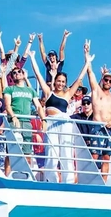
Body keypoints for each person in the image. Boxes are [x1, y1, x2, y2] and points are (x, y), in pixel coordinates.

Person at [25, 38, 90, 184]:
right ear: (55, 81)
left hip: (65, 122)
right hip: (52, 123)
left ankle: (68, 182)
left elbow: (80, 78)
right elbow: (38, 76)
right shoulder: (48, 92)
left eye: (63, 82)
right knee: (52, 155)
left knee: (66, 154)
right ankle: (52, 181)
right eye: (58, 81)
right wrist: (32, 58)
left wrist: (87, 60)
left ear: (65, 83)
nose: (60, 83)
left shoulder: (67, 94)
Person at [84, 45, 111, 182]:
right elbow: (90, 75)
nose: (108, 82)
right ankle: (90, 179)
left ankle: (104, 181)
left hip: (109, 130)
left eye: (110, 81)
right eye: (106, 79)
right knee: (94, 155)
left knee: (106, 157)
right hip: (97, 128)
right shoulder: (96, 92)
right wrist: (87, 58)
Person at [71, 97, 107, 175]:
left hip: (94, 147)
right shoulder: (77, 117)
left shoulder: (97, 117)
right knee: (79, 168)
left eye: (88, 103)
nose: (86, 105)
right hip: (81, 148)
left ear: (92, 104)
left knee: (95, 169)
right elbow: (64, 118)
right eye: (84, 103)